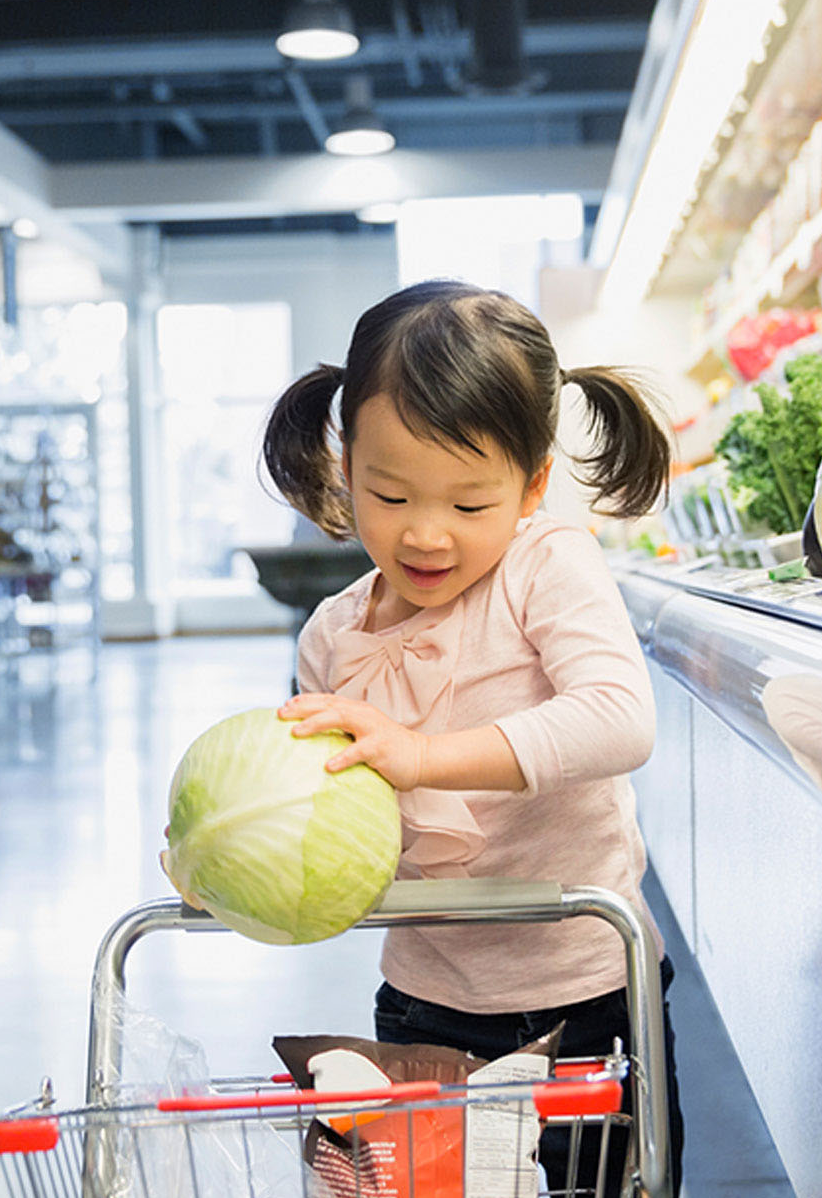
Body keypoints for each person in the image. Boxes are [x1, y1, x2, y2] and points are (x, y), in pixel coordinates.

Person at [256, 279, 684, 1194]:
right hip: (422, 1006)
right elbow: (341, 821)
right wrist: (242, 848)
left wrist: (422, 757)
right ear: (345, 461)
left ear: (531, 485)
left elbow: (620, 717)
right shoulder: (332, 636)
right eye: (389, 492)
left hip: (587, 995)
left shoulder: (547, 566)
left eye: (469, 504)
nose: (425, 533)